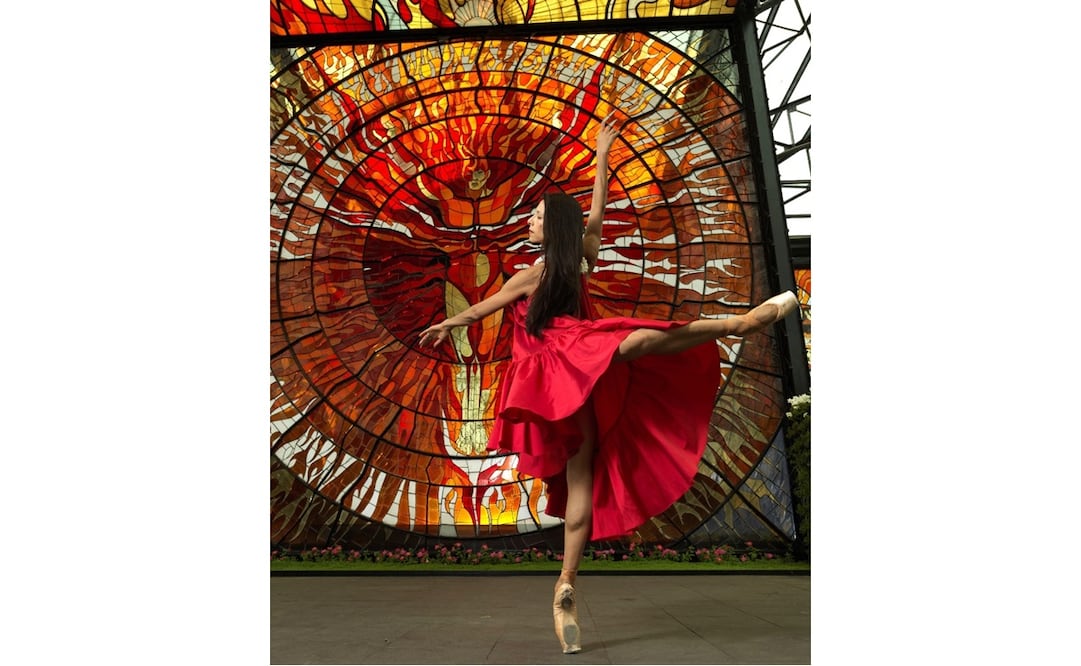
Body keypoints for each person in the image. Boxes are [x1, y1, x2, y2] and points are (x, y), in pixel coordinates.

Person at [418, 114, 799, 654]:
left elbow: (497, 297)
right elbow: (494, 297)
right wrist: (599, 157)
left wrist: (600, 157)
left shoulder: (554, 264)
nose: (528, 221)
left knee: (584, 475)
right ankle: (740, 323)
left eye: (537, 216)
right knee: (634, 343)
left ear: (555, 228)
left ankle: (565, 584)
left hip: (564, 374)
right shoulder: (561, 264)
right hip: (568, 367)